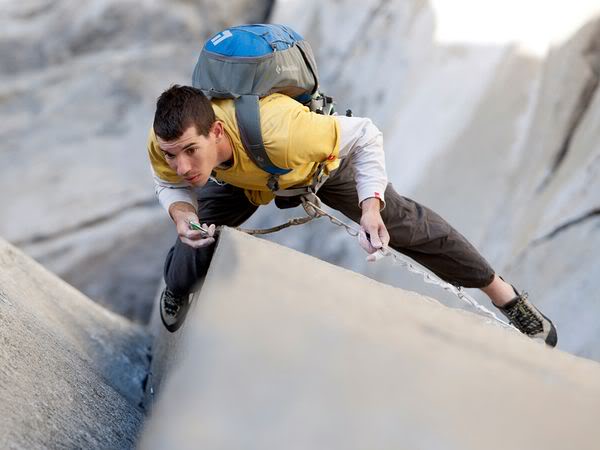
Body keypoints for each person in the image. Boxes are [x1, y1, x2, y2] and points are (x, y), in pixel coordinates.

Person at [147, 84, 557, 346]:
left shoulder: (285, 132)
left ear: (216, 131)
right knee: (195, 239)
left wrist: (371, 207)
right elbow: (169, 183)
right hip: (241, 180)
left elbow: (365, 134)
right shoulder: (168, 140)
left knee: (408, 226)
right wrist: (182, 212)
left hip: (317, 168)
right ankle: (176, 288)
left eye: (190, 151)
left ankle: (504, 295)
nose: (182, 166)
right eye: (172, 155)